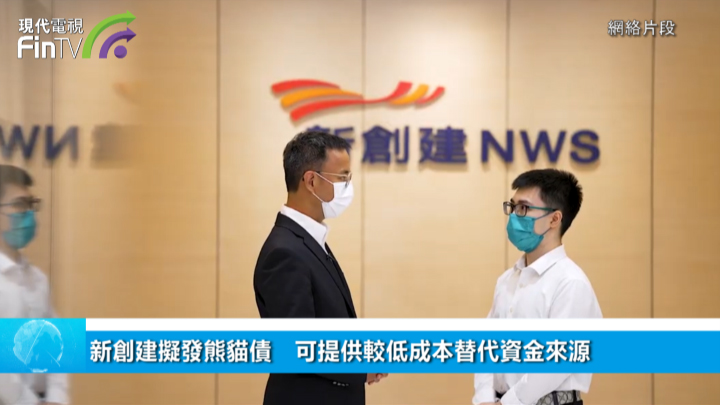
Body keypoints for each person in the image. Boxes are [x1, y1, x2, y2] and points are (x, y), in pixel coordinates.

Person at [253, 131, 387, 405]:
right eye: (342, 178)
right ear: (311, 181)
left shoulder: (309, 241)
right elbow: (300, 346)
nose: (348, 187)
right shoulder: (284, 252)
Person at [473, 169, 602, 405]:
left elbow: (557, 361)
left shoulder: (571, 283)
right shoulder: (506, 280)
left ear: (554, 219)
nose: (514, 215)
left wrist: (508, 403)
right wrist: (484, 398)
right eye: (513, 207)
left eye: (524, 208)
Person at [0, 165, 69, 405]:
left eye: (31, 204)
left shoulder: (37, 279)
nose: (29, 213)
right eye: (19, 205)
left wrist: (57, 397)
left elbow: (57, 343)